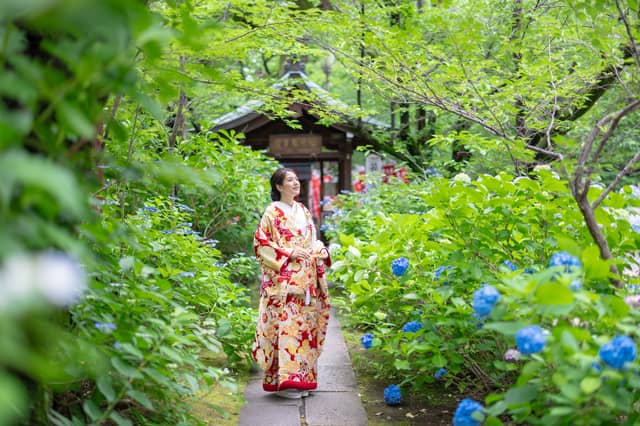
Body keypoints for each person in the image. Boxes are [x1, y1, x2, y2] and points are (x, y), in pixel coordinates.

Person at [252, 167, 331, 399]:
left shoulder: (304, 210)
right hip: (284, 281)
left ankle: (304, 379)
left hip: (306, 278)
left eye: (296, 179)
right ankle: (286, 382)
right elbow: (261, 243)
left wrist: (320, 250)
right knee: (287, 328)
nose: (296, 183)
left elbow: (314, 240)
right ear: (279, 187)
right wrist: (289, 253)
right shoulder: (271, 212)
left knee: (305, 328)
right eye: (290, 180)